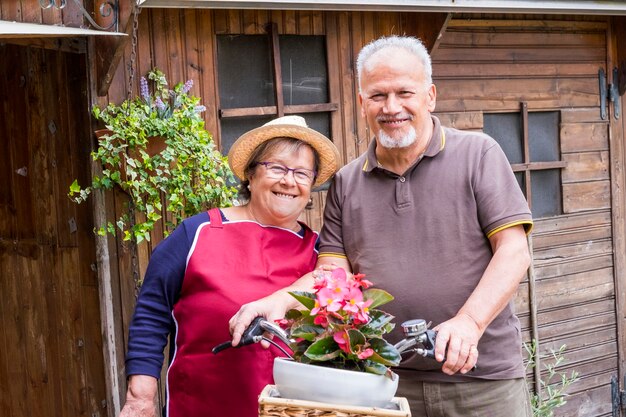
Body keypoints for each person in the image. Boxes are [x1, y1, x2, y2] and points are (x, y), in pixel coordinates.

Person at [229, 36, 534, 416]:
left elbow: (514, 250)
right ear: (362, 104)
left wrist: (470, 322)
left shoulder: (478, 154)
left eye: (404, 92)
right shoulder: (346, 182)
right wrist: (276, 302)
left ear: (430, 96)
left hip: (481, 380)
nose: (391, 108)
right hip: (382, 382)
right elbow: (332, 277)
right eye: (377, 96)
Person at [118, 115, 341, 417]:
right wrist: (140, 396)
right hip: (200, 406)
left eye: (302, 173)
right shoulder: (197, 233)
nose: (289, 181)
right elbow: (152, 312)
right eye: (276, 167)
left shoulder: (321, 252)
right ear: (250, 174)